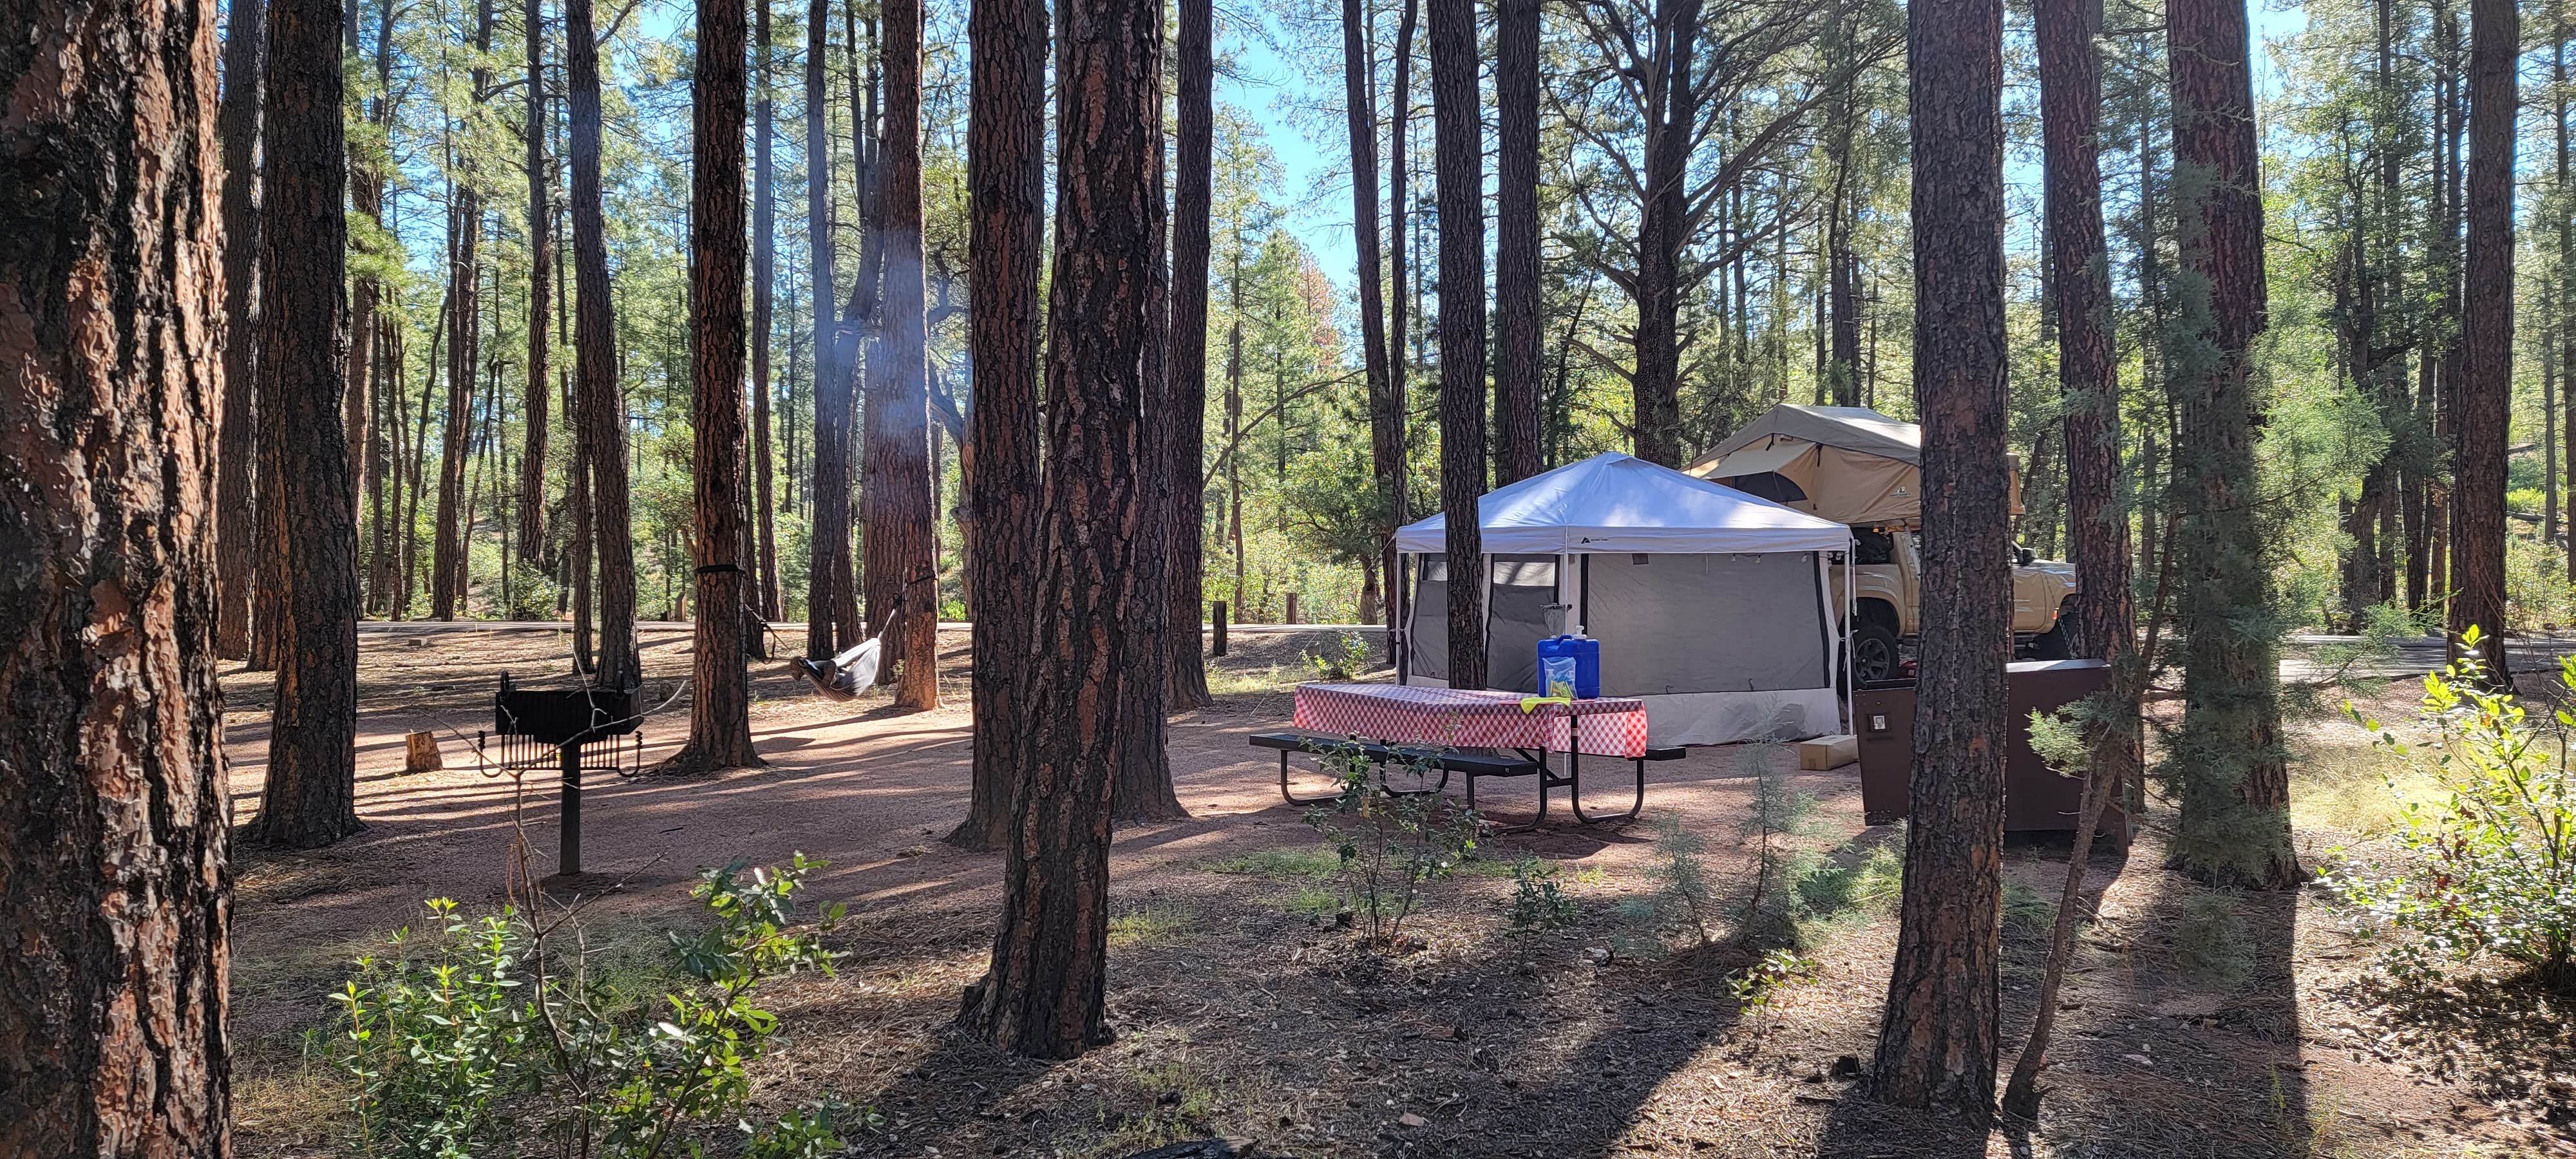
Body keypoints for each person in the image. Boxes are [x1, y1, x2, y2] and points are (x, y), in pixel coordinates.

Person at [795, 596, 907, 701]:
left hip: (841, 682)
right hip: (845, 686)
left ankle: (807, 665)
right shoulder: (857, 674)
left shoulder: (854, 671)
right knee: (835, 671)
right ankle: (817, 668)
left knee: (825, 669)